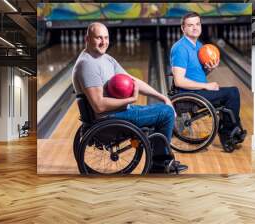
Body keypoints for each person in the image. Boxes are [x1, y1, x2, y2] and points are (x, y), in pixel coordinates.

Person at [72, 22, 187, 173]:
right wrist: (130, 100)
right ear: (87, 39)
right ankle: (160, 163)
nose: (103, 42)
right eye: (98, 38)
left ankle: (158, 157)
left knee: (162, 107)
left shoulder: (106, 59)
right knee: (165, 113)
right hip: (110, 119)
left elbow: (133, 81)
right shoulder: (87, 65)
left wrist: (162, 96)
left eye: (106, 37)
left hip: (118, 113)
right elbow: (98, 105)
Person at [170, 12, 246, 152]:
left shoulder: (199, 46)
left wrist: (209, 70)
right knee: (232, 93)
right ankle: (228, 133)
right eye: (190, 25)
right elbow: (179, 81)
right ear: (183, 28)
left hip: (198, 92)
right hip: (189, 95)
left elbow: (196, 75)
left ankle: (231, 130)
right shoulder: (180, 48)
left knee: (229, 96)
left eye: (197, 24)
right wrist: (206, 85)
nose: (195, 28)